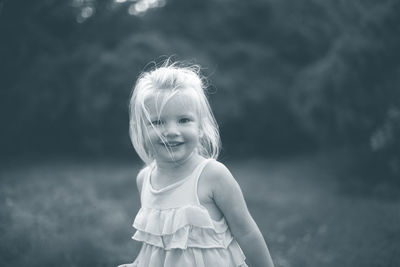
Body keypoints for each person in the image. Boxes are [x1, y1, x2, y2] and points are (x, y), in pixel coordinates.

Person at [119, 60, 274, 267]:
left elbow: (247, 233)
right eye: (157, 122)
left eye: (183, 120)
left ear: (201, 127)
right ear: (141, 130)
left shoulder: (213, 175)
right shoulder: (144, 179)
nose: (172, 131)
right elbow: (156, 242)